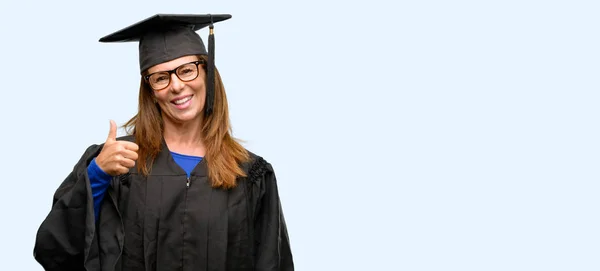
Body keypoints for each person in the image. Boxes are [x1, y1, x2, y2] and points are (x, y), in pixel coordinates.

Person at [33, 13, 294, 271]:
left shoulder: (250, 173)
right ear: (150, 91)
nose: (177, 86)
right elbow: (53, 251)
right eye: (161, 77)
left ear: (208, 73)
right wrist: (96, 176)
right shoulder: (118, 163)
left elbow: (273, 263)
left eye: (186, 70)